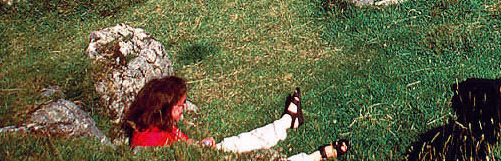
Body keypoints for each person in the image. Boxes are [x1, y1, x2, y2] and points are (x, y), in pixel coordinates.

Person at [122, 76, 349, 160]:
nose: (182, 111)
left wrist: (200, 146)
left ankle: (287, 122)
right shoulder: (149, 147)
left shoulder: (162, 126)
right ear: (164, 108)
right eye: (179, 107)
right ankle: (314, 156)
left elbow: (186, 145)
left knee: (236, 143)